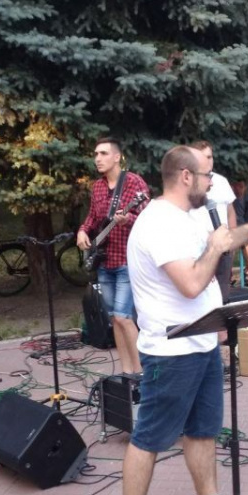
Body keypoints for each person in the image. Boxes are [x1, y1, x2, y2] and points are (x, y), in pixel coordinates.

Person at [123, 145, 248, 495]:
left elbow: (222, 241)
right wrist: (214, 246)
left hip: (202, 341)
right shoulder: (159, 222)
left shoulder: (187, 215)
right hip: (171, 351)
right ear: (185, 177)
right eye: (207, 176)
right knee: (149, 438)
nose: (212, 184)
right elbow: (192, 283)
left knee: (202, 429)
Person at [77, 138, 149, 375]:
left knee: (124, 316)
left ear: (117, 157)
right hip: (104, 260)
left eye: (104, 153)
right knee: (114, 318)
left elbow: (149, 220)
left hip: (127, 260)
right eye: (96, 153)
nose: (98, 158)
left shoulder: (133, 183)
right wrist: (82, 231)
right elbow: (93, 218)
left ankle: (140, 371)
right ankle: (126, 369)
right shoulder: (97, 187)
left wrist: (128, 219)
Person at [188, 140, 237, 303]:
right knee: (202, 295)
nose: (208, 161)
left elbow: (230, 212)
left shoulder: (221, 181)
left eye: (210, 157)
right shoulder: (189, 184)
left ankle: (221, 327)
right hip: (199, 248)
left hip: (223, 246)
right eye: (203, 157)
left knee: (222, 295)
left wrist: (233, 240)